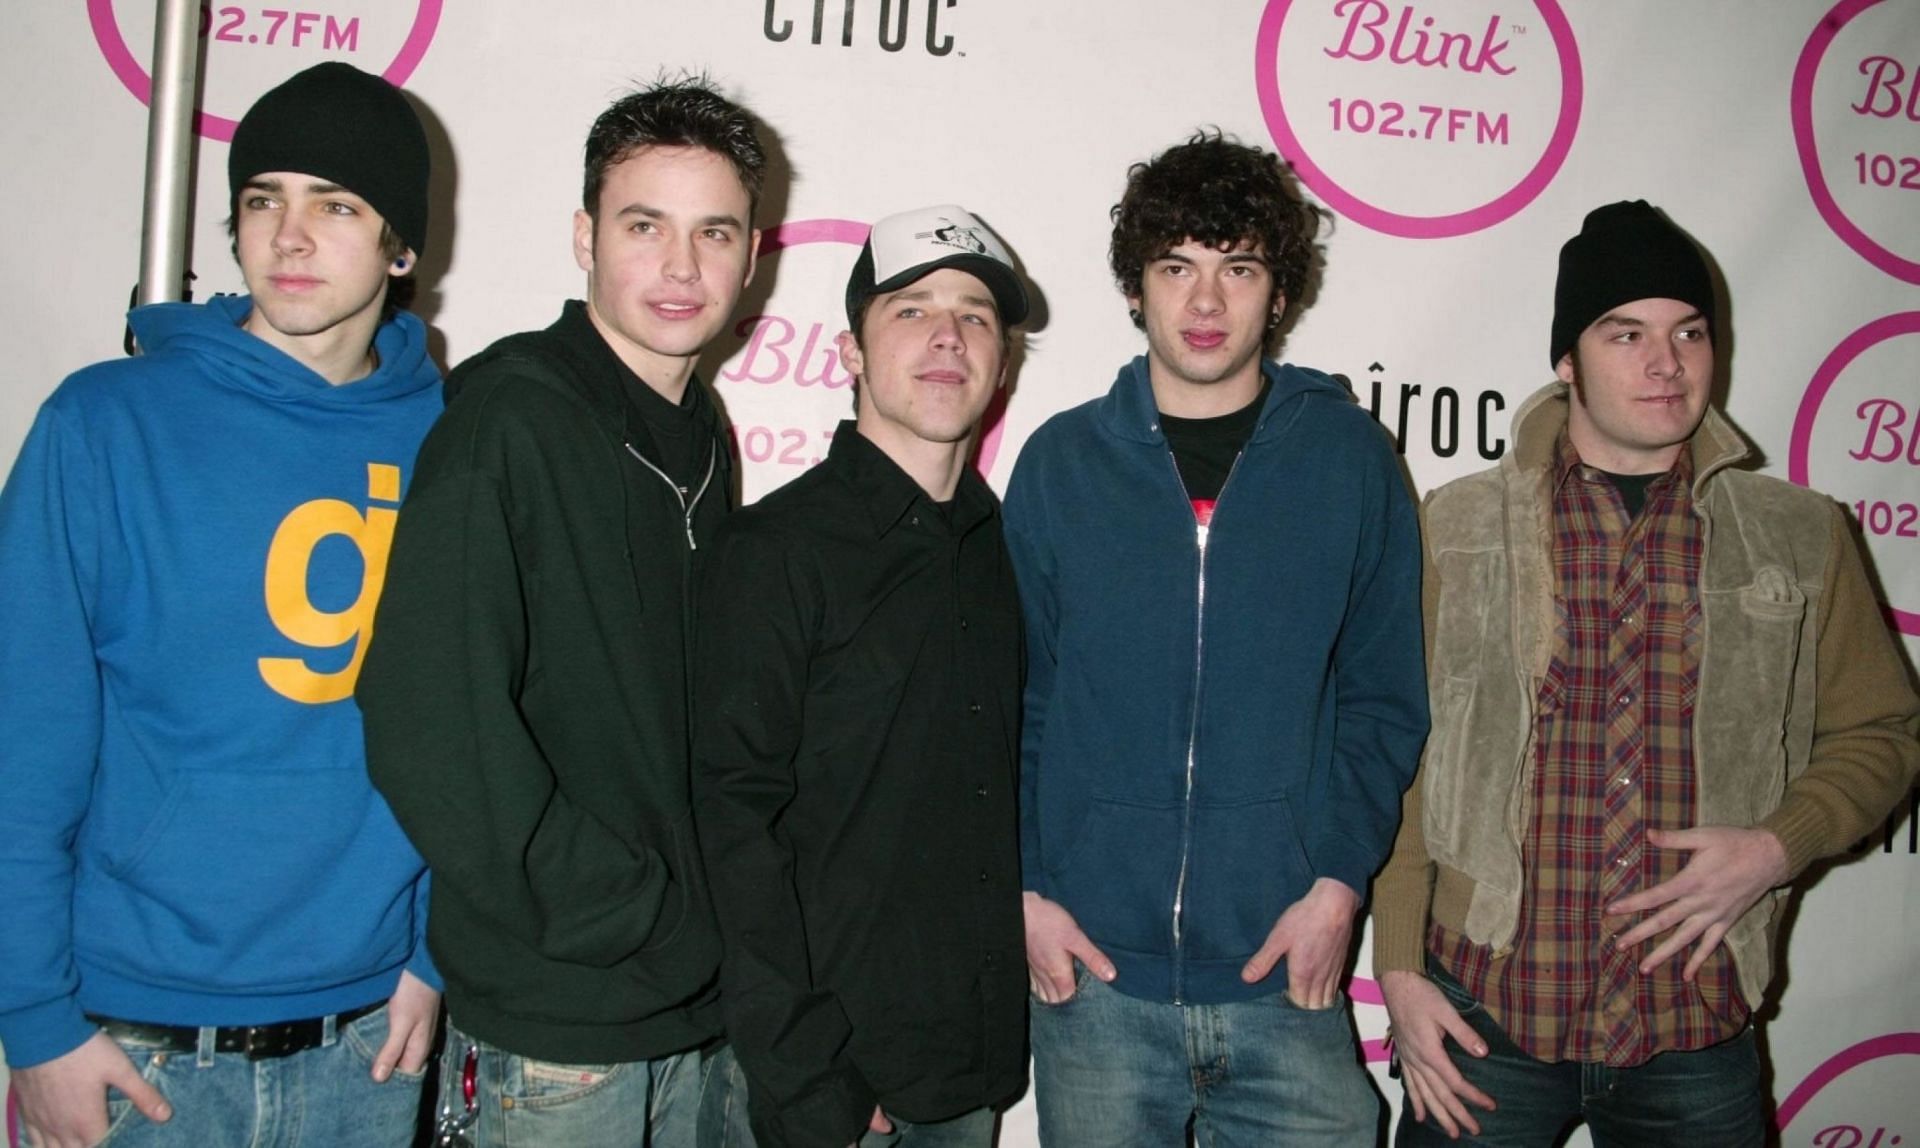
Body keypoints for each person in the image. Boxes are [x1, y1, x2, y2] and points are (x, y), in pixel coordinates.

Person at [1371, 200, 1920, 1147]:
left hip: (1693, 1021)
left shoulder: (1798, 531)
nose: (1665, 363)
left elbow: (1884, 734)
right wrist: (1399, 969)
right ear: (1567, 361)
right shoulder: (1453, 529)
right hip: (1488, 1012)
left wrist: (1777, 846)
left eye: (1689, 333)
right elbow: (1403, 752)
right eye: (1625, 333)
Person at [0, 62, 442, 1148]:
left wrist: (436, 957)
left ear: (401, 245)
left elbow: (475, 726)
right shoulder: (105, 423)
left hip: (368, 1042)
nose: (289, 236)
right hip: (136, 1046)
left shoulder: (455, 442)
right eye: (262, 199)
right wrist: (34, 1019)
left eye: (335, 204)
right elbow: (22, 737)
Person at [355, 75, 766, 1148]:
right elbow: (427, 721)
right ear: (586, 236)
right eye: (646, 226)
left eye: (712, 232)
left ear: (752, 254)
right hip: (557, 1023)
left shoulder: (704, 430)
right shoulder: (509, 413)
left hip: (695, 1011)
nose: (682, 267)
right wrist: (623, 907)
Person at [1003, 130, 1429, 1146]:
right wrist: (1023, 885)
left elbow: (1383, 699)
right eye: (1176, 267)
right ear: (1137, 288)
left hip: (1286, 972)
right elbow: (1015, 698)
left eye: (1237, 268)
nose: (1204, 302)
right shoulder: (1062, 464)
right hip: (1093, 982)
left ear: (1278, 292)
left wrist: (1337, 882)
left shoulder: (1351, 461)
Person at [691, 204, 1030, 1148]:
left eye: (974, 315)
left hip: (966, 1076)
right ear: (849, 352)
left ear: (1001, 362)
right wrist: (809, 1075)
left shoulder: (1003, 554)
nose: (947, 337)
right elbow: (731, 826)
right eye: (911, 310)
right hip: (826, 1092)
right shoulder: (774, 552)